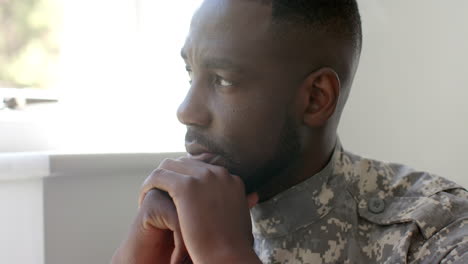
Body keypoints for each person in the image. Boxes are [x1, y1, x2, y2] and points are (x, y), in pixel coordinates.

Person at [112, 0, 468, 263]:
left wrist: (223, 255)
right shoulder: (173, 222)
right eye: (191, 74)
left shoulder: (436, 232)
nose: (186, 111)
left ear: (315, 98)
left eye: (223, 80)